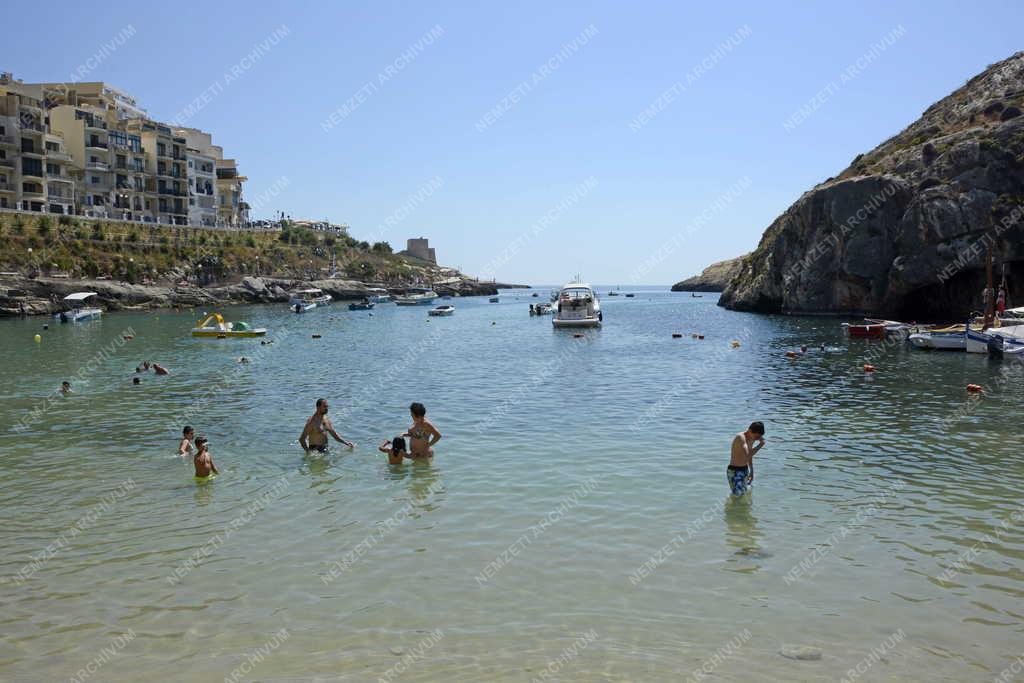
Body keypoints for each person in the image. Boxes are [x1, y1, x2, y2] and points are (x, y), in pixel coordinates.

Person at [728, 421, 766, 496]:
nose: (757, 439)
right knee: (738, 496)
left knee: (744, 494)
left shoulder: (751, 438)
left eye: (758, 437)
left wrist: (751, 471)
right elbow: (747, 455)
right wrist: (760, 445)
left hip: (744, 469)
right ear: (750, 431)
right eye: (756, 437)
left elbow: (749, 456)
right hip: (734, 471)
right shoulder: (741, 437)